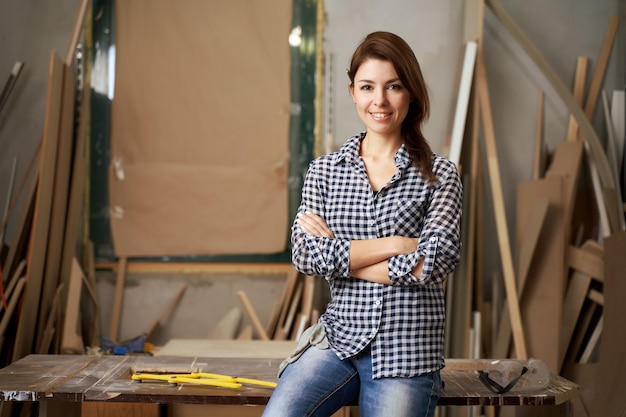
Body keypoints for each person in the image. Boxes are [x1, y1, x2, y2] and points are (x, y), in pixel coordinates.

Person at [262, 31, 463, 417]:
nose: (380, 101)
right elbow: (305, 254)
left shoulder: (440, 175)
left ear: (412, 93)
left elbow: (432, 263)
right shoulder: (324, 172)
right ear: (353, 91)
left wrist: (344, 255)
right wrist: (398, 244)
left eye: (394, 87)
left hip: (407, 353)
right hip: (337, 342)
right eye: (368, 87)